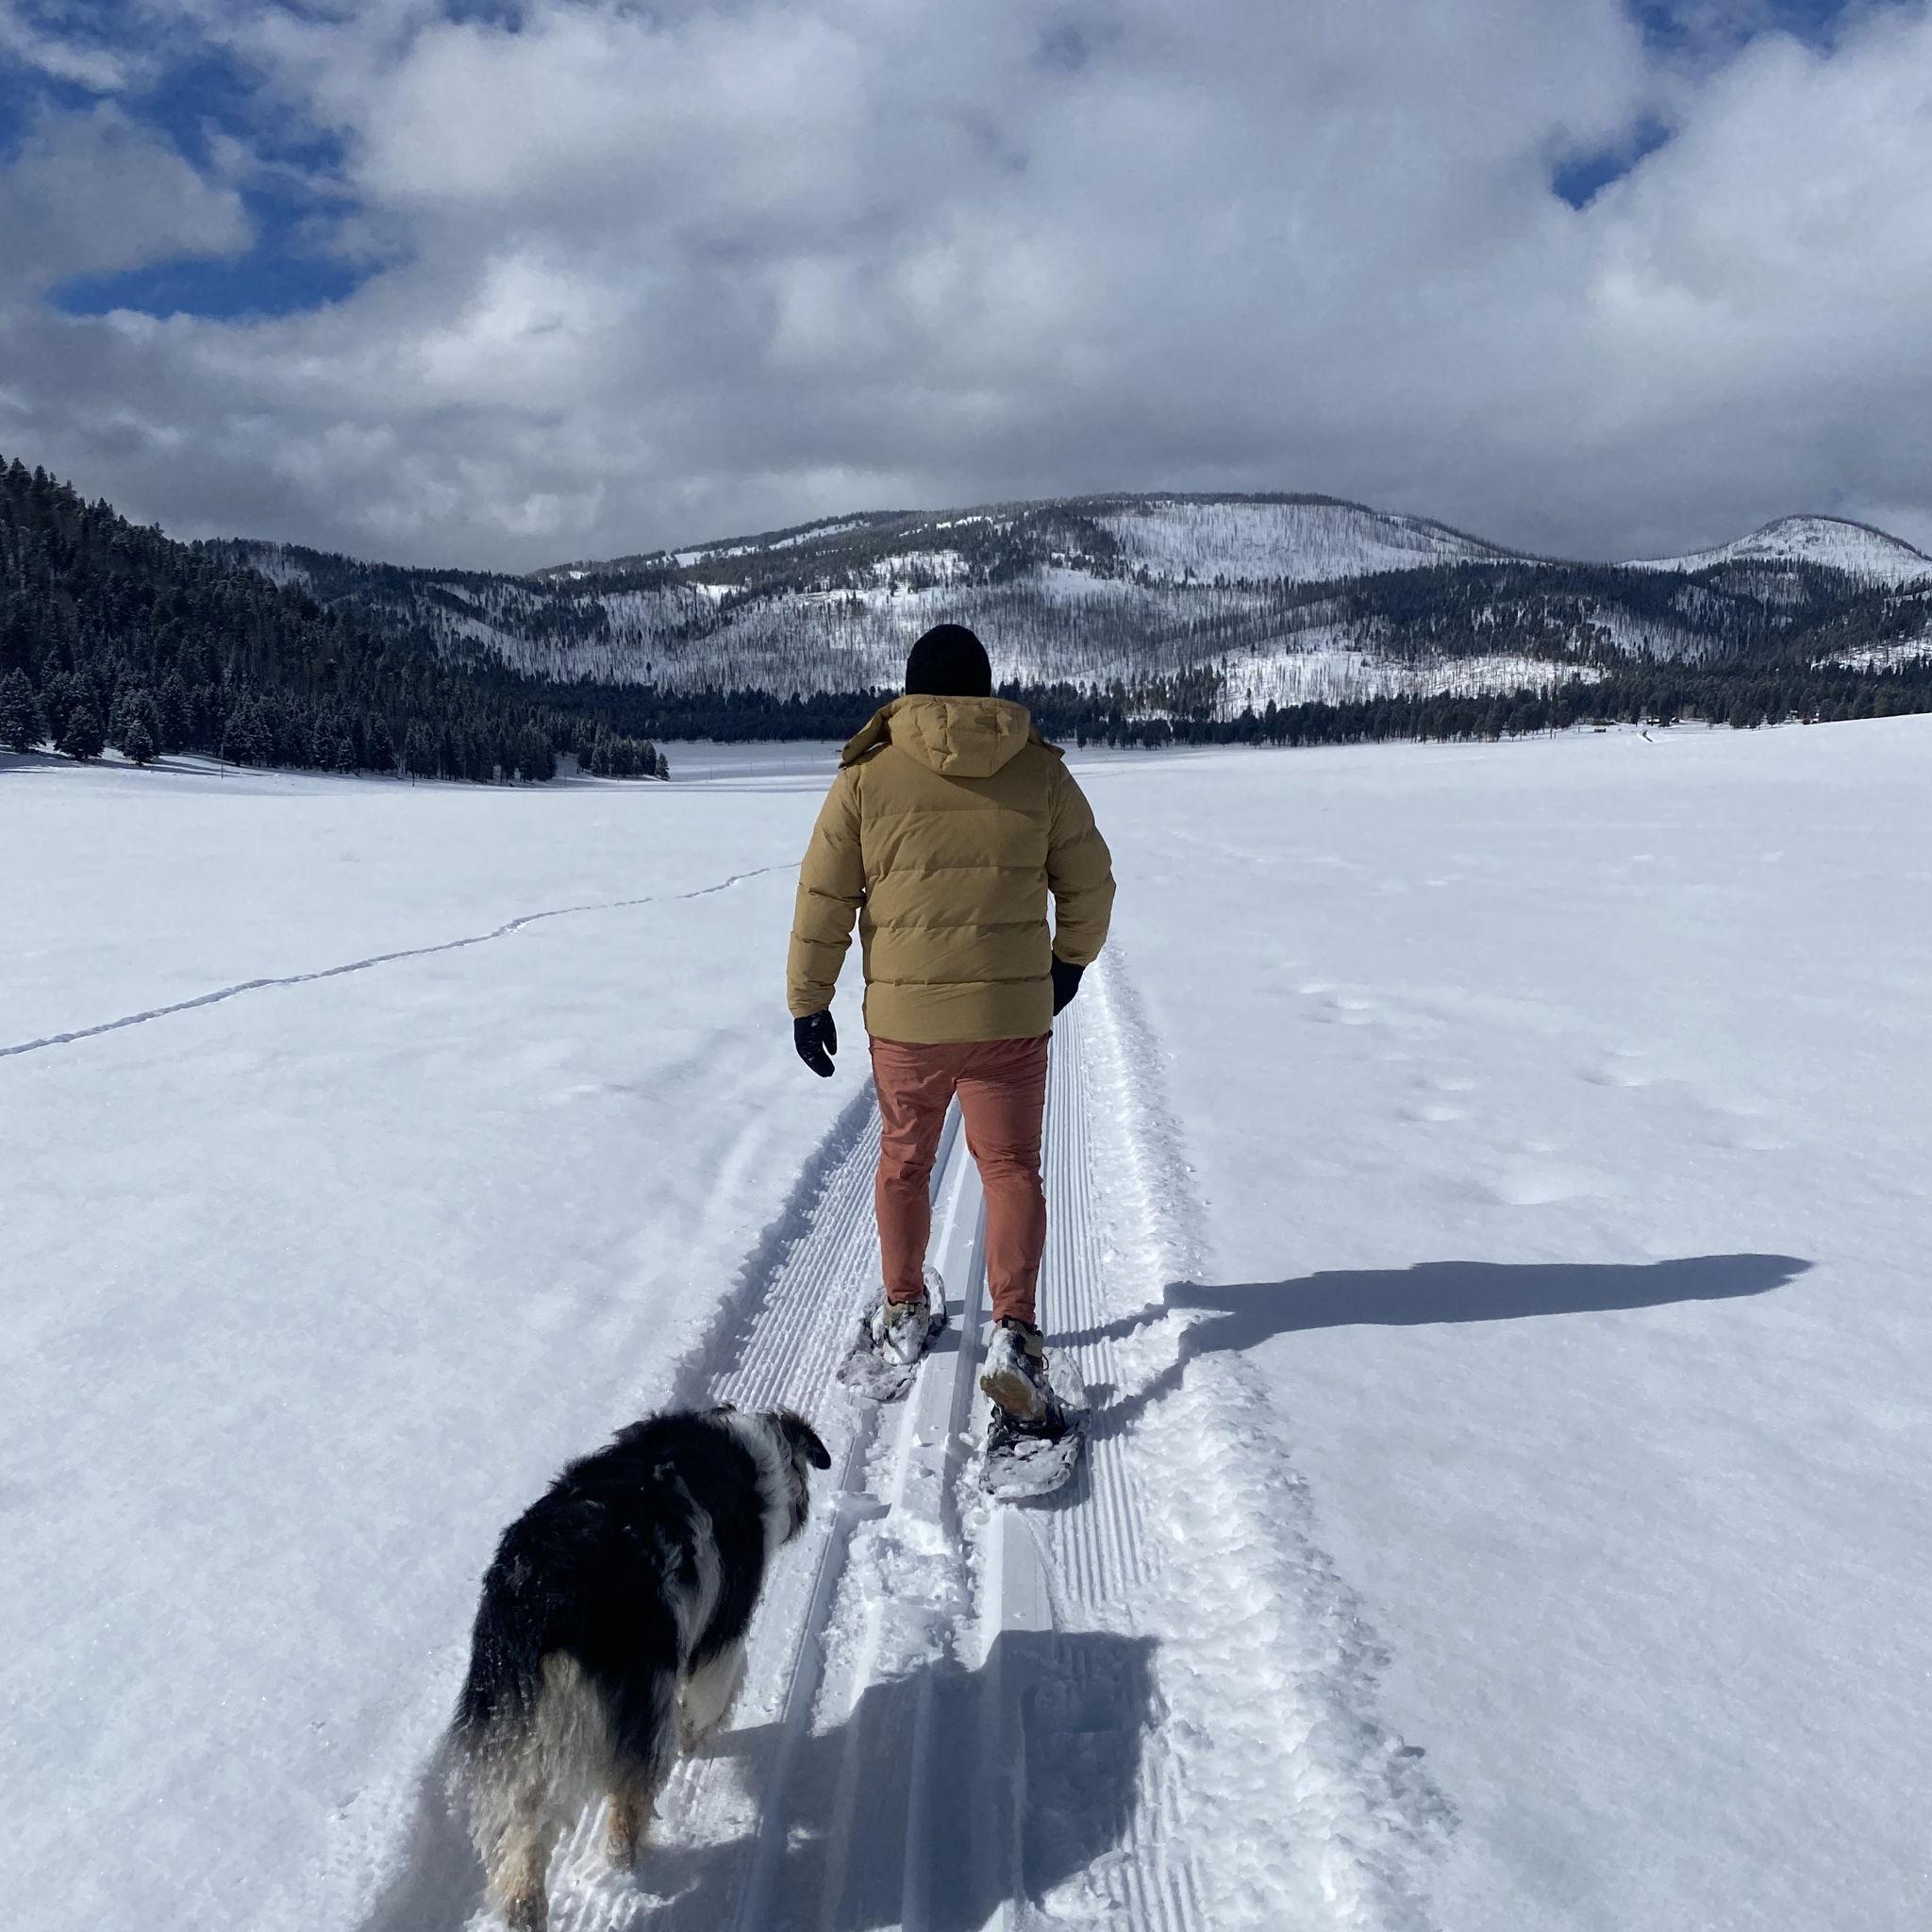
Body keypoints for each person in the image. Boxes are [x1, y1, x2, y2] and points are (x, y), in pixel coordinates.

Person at [786, 624, 1115, 1428]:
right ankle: (1014, 1332)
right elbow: (1092, 884)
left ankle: (903, 1309)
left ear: (911, 689)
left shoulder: (867, 776)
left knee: (904, 1162)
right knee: (1008, 1168)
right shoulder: (1038, 770)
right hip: (1009, 1019)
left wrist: (809, 999)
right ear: (985, 690)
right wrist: (1067, 966)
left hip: (907, 1025)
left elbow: (825, 899)